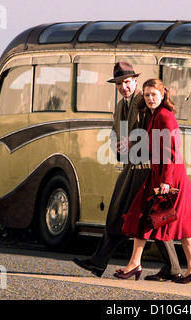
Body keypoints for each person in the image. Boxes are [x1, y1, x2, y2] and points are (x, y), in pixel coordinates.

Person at [73, 63, 182, 281]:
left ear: (134, 81)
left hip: (143, 168)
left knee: (142, 214)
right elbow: (119, 132)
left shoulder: (143, 101)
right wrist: (117, 146)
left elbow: (155, 134)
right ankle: (171, 267)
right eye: (119, 84)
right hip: (131, 165)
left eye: (127, 82)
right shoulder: (122, 104)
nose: (124, 87)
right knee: (140, 215)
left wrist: (134, 145)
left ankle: (102, 261)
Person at [114, 79, 191, 284]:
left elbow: (171, 152)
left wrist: (165, 182)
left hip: (167, 177)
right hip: (163, 175)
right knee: (180, 222)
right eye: (146, 95)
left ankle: (135, 264)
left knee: (143, 215)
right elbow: (150, 142)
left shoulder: (164, 117)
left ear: (163, 96)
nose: (150, 98)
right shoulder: (156, 116)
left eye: (154, 94)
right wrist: (130, 143)